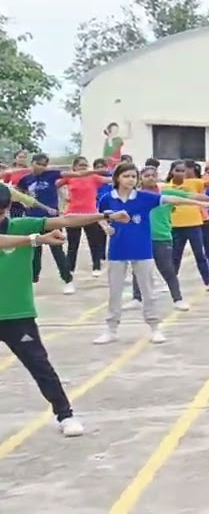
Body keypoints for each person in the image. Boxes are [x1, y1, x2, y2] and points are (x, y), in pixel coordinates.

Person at [1, 184, 129, 436]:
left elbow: (66, 219)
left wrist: (105, 215)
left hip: (17, 314)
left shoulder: (22, 225)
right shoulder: (26, 234)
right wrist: (36, 240)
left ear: (7, 208)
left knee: (40, 367)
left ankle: (65, 414)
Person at [95, 162, 209, 344]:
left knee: (148, 291)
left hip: (142, 249)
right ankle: (111, 328)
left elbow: (172, 199)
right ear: (117, 178)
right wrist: (106, 227)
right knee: (114, 291)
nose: (130, 179)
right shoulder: (108, 198)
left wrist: (198, 203)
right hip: (117, 250)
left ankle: (154, 327)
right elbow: (99, 215)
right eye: (126, 176)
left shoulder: (144, 198)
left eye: (133, 176)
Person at [127, 165, 209, 312]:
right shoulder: (133, 196)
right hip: (141, 238)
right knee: (138, 269)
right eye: (146, 175)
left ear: (157, 177)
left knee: (168, 269)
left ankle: (178, 299)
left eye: (153, 175)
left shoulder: (165, 192)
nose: (150, 178)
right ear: (140, 178)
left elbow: (188, 196)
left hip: (161, 237)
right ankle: (137, 298)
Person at [16, 153, 102, 294]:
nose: (42, 167)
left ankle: (67, 280)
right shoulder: (26, 179)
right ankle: (33, 279)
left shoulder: (52, 174)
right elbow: (17, 193)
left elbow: (76, 174)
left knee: (57, 251)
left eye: (44, 165)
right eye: (39, 164)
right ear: (32, 163)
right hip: (32, 220)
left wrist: (95, 171)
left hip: (51, 220)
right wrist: (23, 203)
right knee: (35, 254)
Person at [165, 161, 209, 293]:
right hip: (175, 225)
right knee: (175, 256)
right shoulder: (165, 187)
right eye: (177, 170)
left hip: (194, 224)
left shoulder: (193, 182)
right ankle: (170, 283)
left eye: (183, 171)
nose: (181, 173)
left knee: (199, 254)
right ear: (172, 171)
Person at [59, 156, 110, 278]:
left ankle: (96, 266)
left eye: (85, 165)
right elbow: (53, 184)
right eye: (81, 165)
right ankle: (70, 269)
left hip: (90, 215)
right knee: (73, 244)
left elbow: (109, 180)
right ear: (75, 167)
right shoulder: (69, 177)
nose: (83, 167)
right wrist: (64, 196)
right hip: (73, 215)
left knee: (94, 243)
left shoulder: (93, 177)